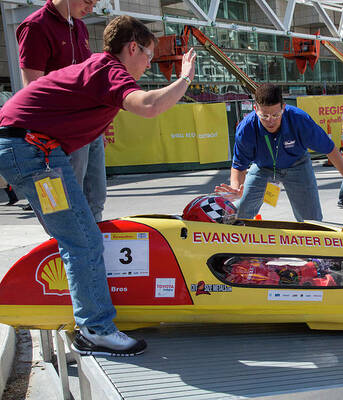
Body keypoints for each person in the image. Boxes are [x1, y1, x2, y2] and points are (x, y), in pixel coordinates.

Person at [0, 15, 197, 356]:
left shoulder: (98, 68)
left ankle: (85, 312)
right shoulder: (109, 70)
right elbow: (149, 106)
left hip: (26, 147)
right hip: (34, 150)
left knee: (75, 233)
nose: (149, 66)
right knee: (82, 238)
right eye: (148, 56)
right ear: (131, 47)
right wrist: (184, 79)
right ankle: (96, 329)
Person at [215, 83, 343, 221]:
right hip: (263, 168)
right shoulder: (246, 129)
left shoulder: (299, 120)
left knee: (312, 222)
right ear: (255, 108)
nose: (270, 120)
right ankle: (238, 251)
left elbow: (331, 150)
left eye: (276, 114)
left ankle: (316, 256)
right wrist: (236, 187)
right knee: (240, 211)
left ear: (283, 108)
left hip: (297, 165)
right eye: (264, 116)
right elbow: (239, 165)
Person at [17, 0, 106, 221]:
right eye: (87, 1)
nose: (91, 9)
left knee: (95, 197)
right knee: (64, 206)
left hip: (87, 127)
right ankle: (66, 249)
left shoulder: (79, 26)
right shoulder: (36, 26)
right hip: (61, 132)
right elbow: (32, 87)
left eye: (95, 3)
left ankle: (95, 249)